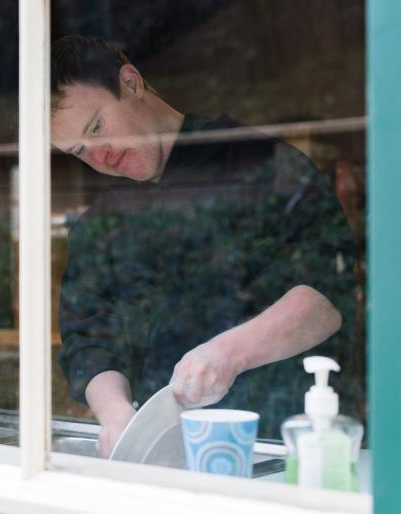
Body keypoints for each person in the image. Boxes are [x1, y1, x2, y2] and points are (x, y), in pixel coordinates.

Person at [51, 35, 356, 457]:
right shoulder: (100, 224)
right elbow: (88, 338)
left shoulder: (260, 164)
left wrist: (228, 353)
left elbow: (326, 294)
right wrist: (117, 414)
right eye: (79, 150)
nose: (99, 157)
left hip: (279, 448)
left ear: (131, 83)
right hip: (163, 456)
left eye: (97, 127)